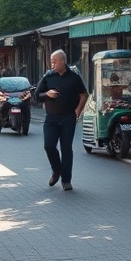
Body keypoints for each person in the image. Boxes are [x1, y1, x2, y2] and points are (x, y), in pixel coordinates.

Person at [36, 49, 88, 191]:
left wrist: (78, 111)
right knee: (49, 146)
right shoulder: (49, 76)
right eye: (51, 62)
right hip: (51, 118)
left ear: (63, 61)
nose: (52, 64)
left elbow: (84, 94)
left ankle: (66, 181)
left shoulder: (74, 77)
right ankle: (56, 170)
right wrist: (47, 94)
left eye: (54, 62)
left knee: (66, 149)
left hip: (68, 118)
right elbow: (36, 95)